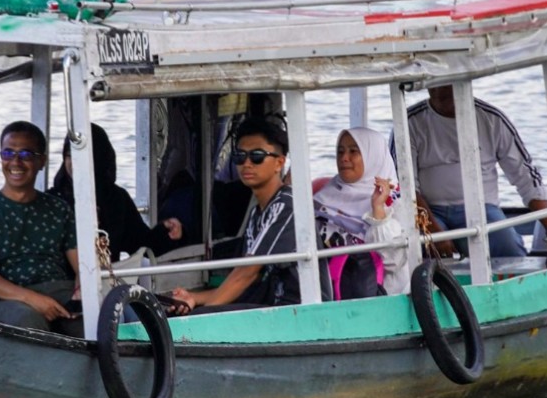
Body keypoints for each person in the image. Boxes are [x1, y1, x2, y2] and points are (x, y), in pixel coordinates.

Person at [406, 84, 547, 262]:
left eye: (448, 84)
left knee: (510, 249)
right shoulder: (409, 122)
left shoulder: (492, 119)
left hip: (482, 209)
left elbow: (525, 177)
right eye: (434, 84)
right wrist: (433, 232)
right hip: (431, 212)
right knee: (419, 250)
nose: (440, 90)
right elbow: (405, 188)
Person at [169, 115, 299, 315]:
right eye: (240, 156)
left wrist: (199, 317)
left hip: (294, 310)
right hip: (269, 305)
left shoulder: (285, 205)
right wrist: (194, 298)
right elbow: (245, 278)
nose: (246, 163)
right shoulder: (258, 213)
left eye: (256, 156)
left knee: (187, 322)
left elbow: (247, 273)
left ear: (279, 163)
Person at [0, 121, 80, 330]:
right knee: (28, 324)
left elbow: (82, 265)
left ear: (41, 161)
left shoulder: (59, 209)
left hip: (60, 291)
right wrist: (33, 299)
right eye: (8, 154)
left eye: (26, 155)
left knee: (94, 322)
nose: (15, 162)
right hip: (10, 298)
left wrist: (80, 293)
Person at [52, 125, 183, 261]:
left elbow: (142, 244)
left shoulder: (116, 199)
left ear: (99, 157)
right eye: (69, 155)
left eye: (83, 155)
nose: (75, 163)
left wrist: (167, 231)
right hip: (59, 281)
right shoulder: (52, 201)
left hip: (106, 280)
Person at [316, 125, 414, 296]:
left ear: (372, 157)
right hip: (331, 290)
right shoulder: (326, 195)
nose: (344, 158)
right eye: (340, 152)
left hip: (383, 294)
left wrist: (378, 211)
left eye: (353, 151)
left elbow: (393, 261)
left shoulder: (394, 201)